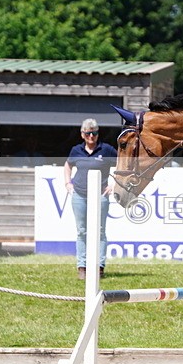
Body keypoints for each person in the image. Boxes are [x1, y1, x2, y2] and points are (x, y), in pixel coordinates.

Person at [64, 119, 117, 280]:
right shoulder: (76, 150)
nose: (91, 136)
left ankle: (99, 267)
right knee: (82, 231)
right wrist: (68, 183)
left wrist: (114, 184)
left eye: (94, 133)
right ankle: (82, 266)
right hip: (80, 195)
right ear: (82, 134)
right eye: (88, 133)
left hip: (100, 195)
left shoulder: (106, 149)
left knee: (100, 231)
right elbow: (68, 165)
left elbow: (123, 163)